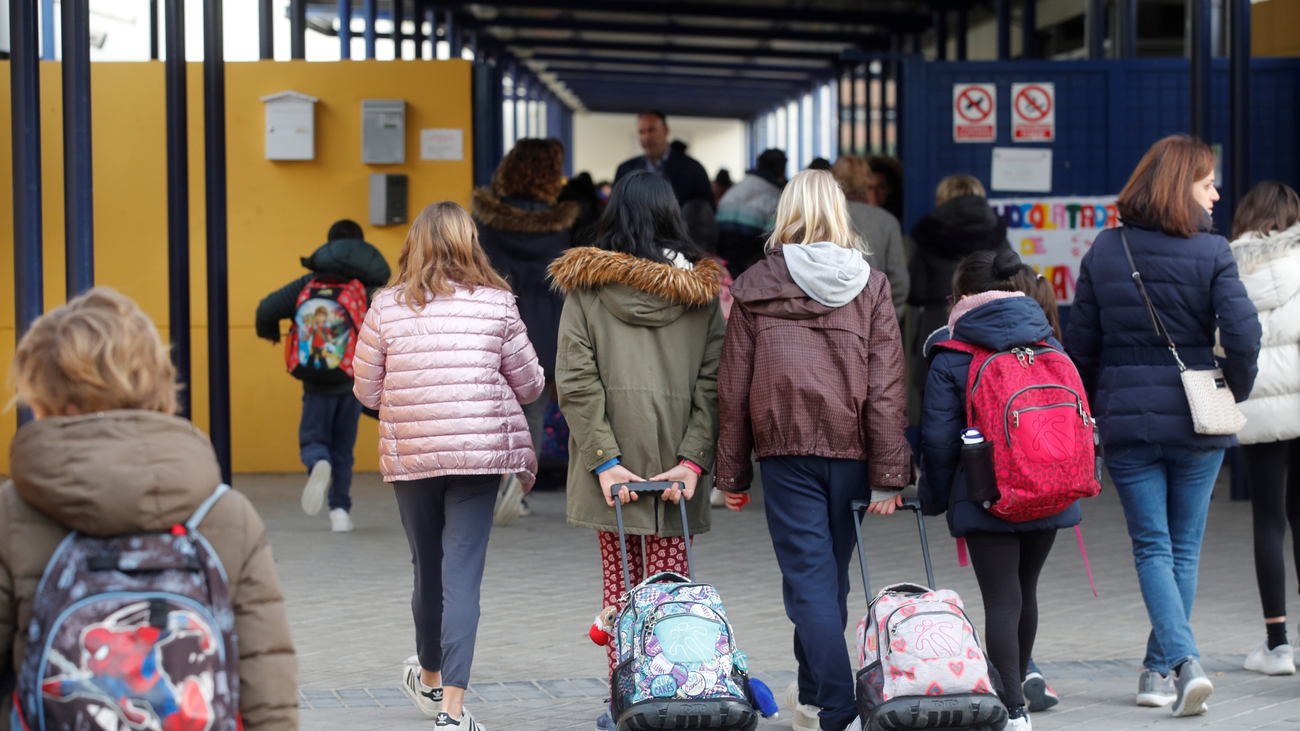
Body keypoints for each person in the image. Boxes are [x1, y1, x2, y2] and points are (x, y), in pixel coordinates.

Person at [0, 288, 298, 731]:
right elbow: (267, 684)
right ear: (157, 382)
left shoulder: (12, 513)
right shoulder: (225, 513)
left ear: (48, 398)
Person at [1064, 135, 1261, 717]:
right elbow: (1244, 335)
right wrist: (1231, 387)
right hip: (1200, 415)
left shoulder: (1106, 248)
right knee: (1184, 551)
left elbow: (1081, 346)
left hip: (1127, 418)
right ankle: (1183, 663)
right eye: (1208, 184)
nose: (1216, 194)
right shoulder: (1213, 251)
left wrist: (1095, 409)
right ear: (1182, 187)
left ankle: (1162, 669)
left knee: (1153, 547)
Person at [716, 169, 912, 731]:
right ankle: (811, 695)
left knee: (810, 581)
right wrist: (888, 475)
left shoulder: (755, 284)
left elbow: (733, 386)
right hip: (851, 455)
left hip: (785, 452)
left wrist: (732, 474)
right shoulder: (872, 286)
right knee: (826, 581)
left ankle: (839, 709)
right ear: (840, 213)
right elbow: (886, 386)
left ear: (786, 214)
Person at [352, 201, 545, 731]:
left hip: (413, 453)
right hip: (478, 458)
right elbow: (531, 385)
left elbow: (365, 389)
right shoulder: (498, 304)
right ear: (470, 244)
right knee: (462, 575)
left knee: (428, 568)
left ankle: (431, 677)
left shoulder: (385, 306)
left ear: (413, 245)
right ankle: (453, 712)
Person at [549, 171, 725, 731]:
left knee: (620, 588)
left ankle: (623, 703)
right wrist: (692, 461)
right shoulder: (701, 295)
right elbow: (714, 384)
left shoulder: (586, 288)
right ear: (672, 215)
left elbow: (575, 381)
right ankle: (675, 695)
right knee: (672, 589)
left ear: (615, 217)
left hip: (611, 472)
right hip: (677, 470)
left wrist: (604, 460)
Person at [918, 249, 1082, 731]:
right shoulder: (1049, 343)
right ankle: (1016, 696)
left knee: (1001, 599)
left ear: (963, 295)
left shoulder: (953, 353)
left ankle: (1012, 709)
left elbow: (938, 440)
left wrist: (934, 498)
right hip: (1050, 486)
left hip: (986, 493)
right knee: (1024, 592)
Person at [255, 218, 391, 533]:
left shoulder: (308, 284)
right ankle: (340, 512)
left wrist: (270, 332)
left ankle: (318, 462)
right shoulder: (365, 289)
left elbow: (265, 309)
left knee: (314, 440)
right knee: (343, 450)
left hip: (315, 382)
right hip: (350, 383)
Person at [471, 138, 579, 526]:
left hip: (493, 325)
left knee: (489, 410)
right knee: (532, 411)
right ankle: (518, 484)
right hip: (544, 328)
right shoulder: (563, 226)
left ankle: (489, 485)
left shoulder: (483, 221)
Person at [1228, 181, 1300, 675]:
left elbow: (1221, 337)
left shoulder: (1230, 266)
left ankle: (1277, 646)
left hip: (1256, 408)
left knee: (1269, 520)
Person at [908, 175, 1009, 420]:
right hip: (987, 329)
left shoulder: (928, 233)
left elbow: (917, 290)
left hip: (938, 326)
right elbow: (1008, 282)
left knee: (936, 414)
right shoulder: (997, 232)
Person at [832, 155, 910, 317]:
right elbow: (898, 282)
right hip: (873, 315)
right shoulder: (886, 221)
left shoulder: (819, 218)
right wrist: (886, 319)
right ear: (865, 181)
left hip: (828, 318)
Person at [613, 111, 715, 211]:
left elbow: (705, 212)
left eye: (651, 130)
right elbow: (615, 211)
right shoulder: (625, 170)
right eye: (641, 132)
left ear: (666, 131)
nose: (646, 137)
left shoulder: (693, 169)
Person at [716, 149, 787, 277]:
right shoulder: (774, 198)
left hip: (724, 270)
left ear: (758, 165)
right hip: (753, 271)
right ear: (783, 171)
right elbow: (774, 244)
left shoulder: (732, 191)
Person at [866, 155, 904, 223]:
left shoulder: (898, 217)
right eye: (870, 187)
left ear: (890, 189)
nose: (874, 193)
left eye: (880, 187)